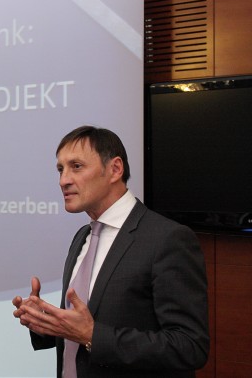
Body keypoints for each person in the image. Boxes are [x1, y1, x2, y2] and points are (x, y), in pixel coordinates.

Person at [12, 125, 209, 378]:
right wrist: (48, 324)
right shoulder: (82, 237)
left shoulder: (167, 239)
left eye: (76, 166)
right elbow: (77, 331)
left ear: (115, 169)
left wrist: (92, 336)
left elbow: (190, 346)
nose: (63, 180)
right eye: (60, 169)